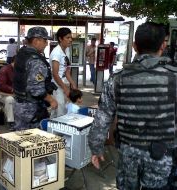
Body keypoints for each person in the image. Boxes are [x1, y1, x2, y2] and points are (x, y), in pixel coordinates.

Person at [88, 22, 175, 190]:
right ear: (163, 45)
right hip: (163, 157)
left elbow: (102, 119)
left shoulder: (117, 78)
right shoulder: (174, 77)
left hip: (128, 153)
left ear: (134, 46)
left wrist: (96, 148)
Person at [13, 26, 58, 130]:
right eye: (45, 40)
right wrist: (51, 100)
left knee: (21, 138)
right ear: (36, 40)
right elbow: (36, 90)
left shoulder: (22, 53)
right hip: (31, 109)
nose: (46, 43)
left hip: (19, 104)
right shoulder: (36, 61)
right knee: (34, 142)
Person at [50, 27, 77, 118]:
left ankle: (49, 126)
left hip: (63, 84)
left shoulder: (67, 50)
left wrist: (73, 84)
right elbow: (55, 74)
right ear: (60, 39)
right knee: (60, 110)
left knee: (59, 109)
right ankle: (56, 131)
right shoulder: (56, 53)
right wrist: (65, 88)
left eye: (71, 37)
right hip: (56, 85)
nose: (70, 40)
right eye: (67, 37)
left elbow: (67, 71)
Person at [0, 55, 15, 128]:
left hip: (15, 93)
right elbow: (1, 85)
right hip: (3, 94)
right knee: (10, 100)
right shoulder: (5, 70)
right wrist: (13, 89)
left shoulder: (19, 70)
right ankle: (11, 121)